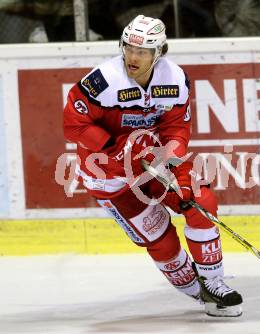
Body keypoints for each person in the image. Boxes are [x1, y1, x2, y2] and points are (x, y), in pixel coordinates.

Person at [63, 15, 243, 317]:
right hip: (108, 175)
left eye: (142, 51)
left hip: (153, 162)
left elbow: (176, 129)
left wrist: (173, 164)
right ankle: (198, 292)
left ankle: (214, 283)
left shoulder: (174, 79)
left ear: (158, 52)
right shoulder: (102, 81)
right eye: (129, 48)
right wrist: (112, 149)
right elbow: (73, 124)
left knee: (200, 200)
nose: (133, 57)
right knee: (160, 239)